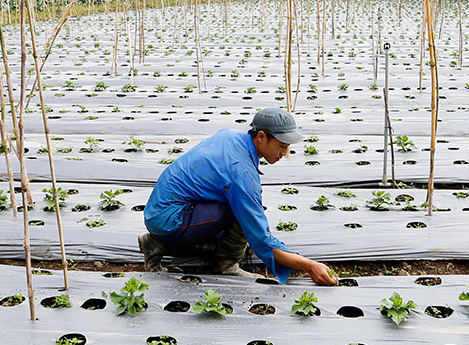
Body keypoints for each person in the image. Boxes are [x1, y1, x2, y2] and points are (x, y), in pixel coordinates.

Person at [139, 108, 337, 285]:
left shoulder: (232, 136)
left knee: (238, 214)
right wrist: (310, 266)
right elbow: (261, 237)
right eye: (281, 146)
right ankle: (224, 266)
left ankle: (159, 242)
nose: (285, 153)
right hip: (170, 219)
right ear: (261, 137)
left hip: (162, 210)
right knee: (242, 214)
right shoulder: (240, 172)